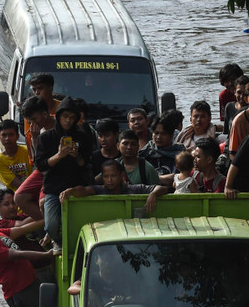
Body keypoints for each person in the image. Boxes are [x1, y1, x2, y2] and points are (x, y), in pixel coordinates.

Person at [33, 96, 94, 248]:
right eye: (65, 116)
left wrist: (76, 156)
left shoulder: (83, 137)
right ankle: (59, 242)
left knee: (79, 224)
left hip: (77, 188)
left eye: (72, 117)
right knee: (51, 226)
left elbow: (87, 163)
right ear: (58, 116)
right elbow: (40, 165)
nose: (68, 121)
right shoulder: (46, 138)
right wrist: (59, 156)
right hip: (53, 189)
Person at [59, 159, 170, 213]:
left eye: (113, 176)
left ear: (121, 175)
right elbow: (83, 190)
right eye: (106, 176)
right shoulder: (99, 190)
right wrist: (70, 191)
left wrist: (153, 194)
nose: (110, 180)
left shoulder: (133, 188)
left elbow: (162, 188)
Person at [0, 188, 54, 282]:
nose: (12, 207)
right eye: (6, 204)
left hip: (49, 265)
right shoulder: (1, 224)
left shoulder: (23, 216)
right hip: (32, 273)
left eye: (13, 202)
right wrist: (47, 217)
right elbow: (22, 225)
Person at [15, 95, 55, 221]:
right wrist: (35, 139)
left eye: (34, 119)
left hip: (56, 171)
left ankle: (50, 227)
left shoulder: (59, 127)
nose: (33, 124)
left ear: (45, 114)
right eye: (29, 122)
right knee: (19, 198)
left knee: (43, 201)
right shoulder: (35, 132)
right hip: (42, 169)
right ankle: (46, 225)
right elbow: (38, 161)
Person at [0, 119, 30, 192]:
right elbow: (17, 184)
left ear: (17, 136)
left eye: (11, 135)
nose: (7, 139)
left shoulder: (28, 151)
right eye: (4, 135)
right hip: (14, 194)